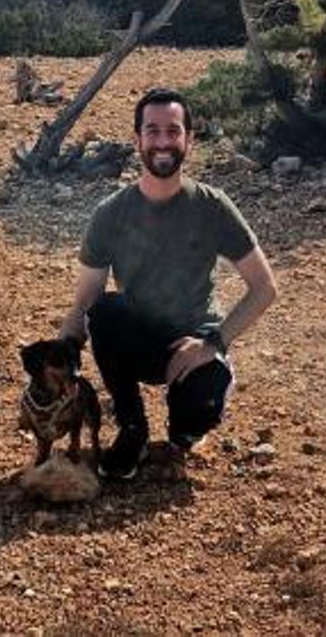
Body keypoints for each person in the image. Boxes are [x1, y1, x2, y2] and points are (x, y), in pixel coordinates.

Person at [59, 86, 277, 480]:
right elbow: (84, 303)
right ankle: (132, 428)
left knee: (201, 404)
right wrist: (61, 359)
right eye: (153, 131)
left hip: (194, 341)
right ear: (137, 139)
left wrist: (214, 343)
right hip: (139, 337)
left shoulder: (212, 206)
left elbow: (264, 288)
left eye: (173, 131)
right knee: (106, 311)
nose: (163, 141)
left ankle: (181, 436)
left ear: (189, 139)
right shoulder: (110, 213)